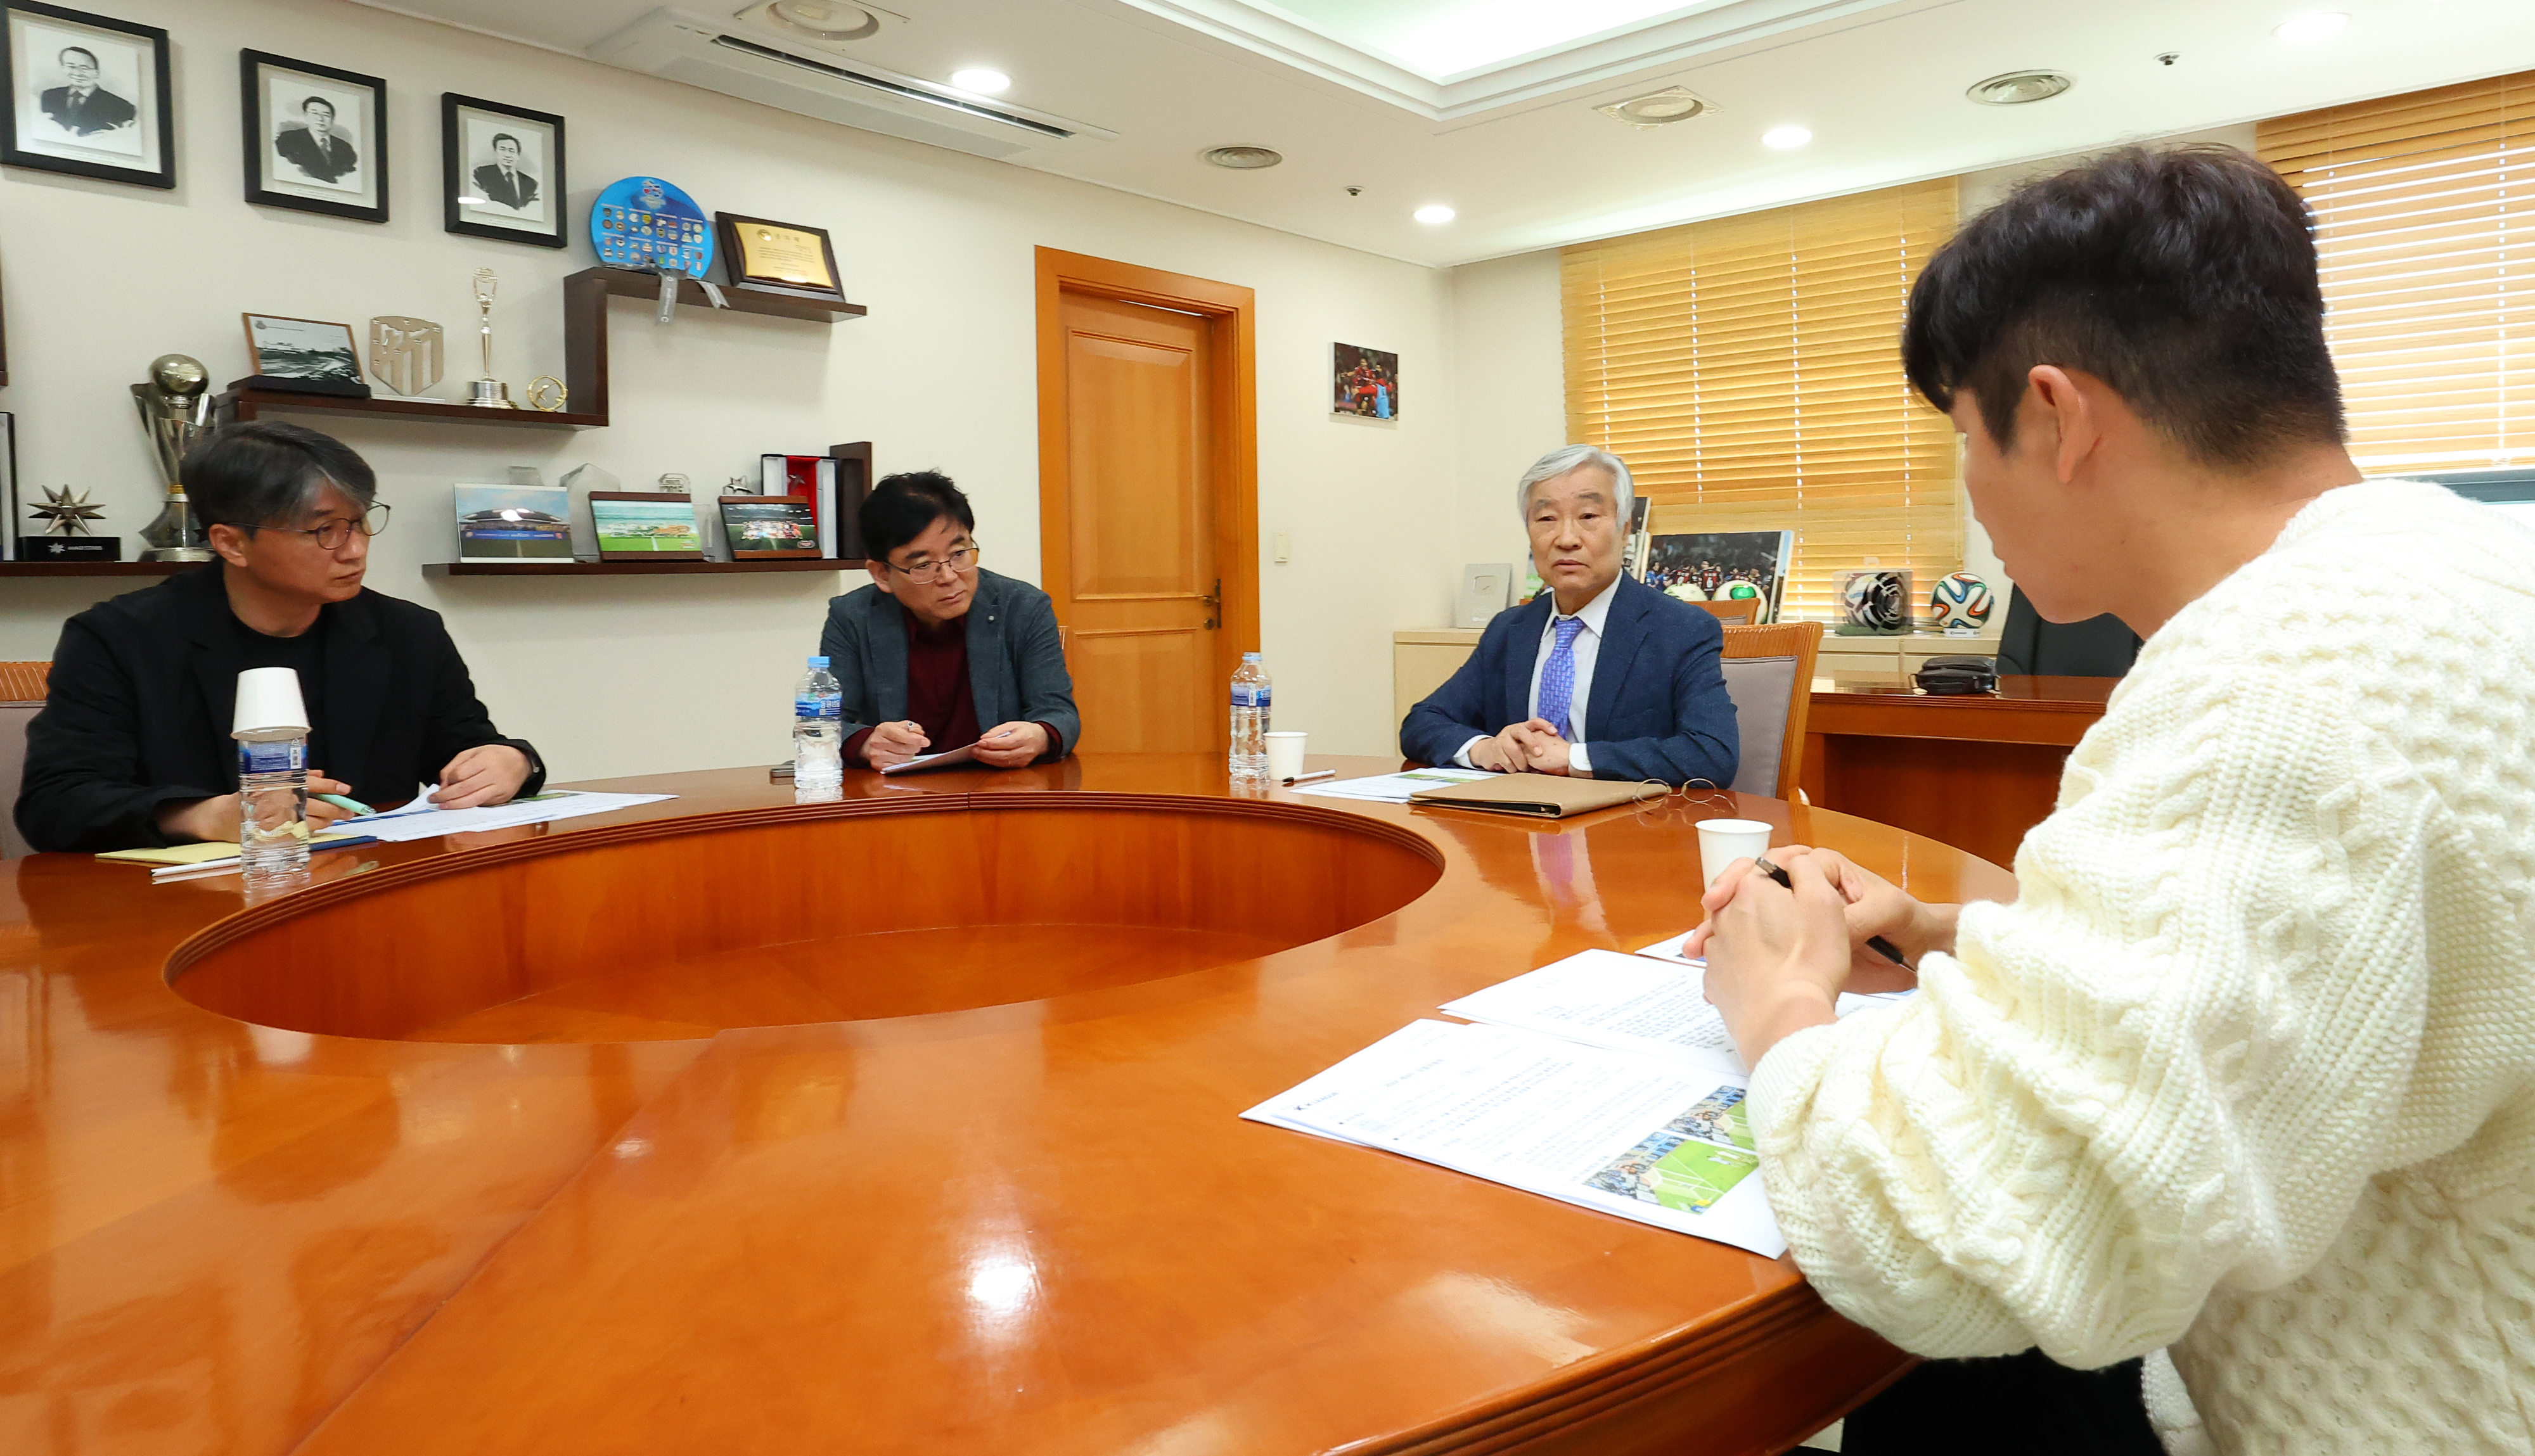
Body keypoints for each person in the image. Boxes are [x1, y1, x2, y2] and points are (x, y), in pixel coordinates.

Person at [1689, 145, 2535, 1455]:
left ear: (2058, 415)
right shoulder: (2447, 571)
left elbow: (1990, 1235)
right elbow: (2344, 960)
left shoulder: (2277, 681)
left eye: (1962, 437)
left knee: (1942, 1382)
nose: (1967, 485)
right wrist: (1944, 928)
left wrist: (1778, 1006)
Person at [15, 421, 543, 854]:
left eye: (360, 523)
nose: (355, 549)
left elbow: (465, 748)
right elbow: (56, 803)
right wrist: (205, 815)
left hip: (369, 886)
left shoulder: (407, 632)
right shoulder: (118, 637)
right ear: (231, 543)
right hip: (186, 908)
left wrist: (512, 762)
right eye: (324, 530)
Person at [1401, 445, 1736, 786]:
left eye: (1588, 516)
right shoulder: (1510, 628)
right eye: (1546, 519)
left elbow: (1712, 753)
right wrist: (1484, 749)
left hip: (1624, 827)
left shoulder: (1681, 629)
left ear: (1624, 530)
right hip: (1515, 824)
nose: (1566, 539)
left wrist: (1573, 758)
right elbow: (1422, 722)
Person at [816, 471, 1078, 770]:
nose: (950, 577)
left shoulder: (1023, 607)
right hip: (898, 798)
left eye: (959, 553)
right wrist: (866, 744)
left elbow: (1060, 713)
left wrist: (1039, 735)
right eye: (924, 565)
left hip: (1000, 788)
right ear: (881, 574)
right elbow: (823, 723)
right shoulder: (853, 617)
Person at [40, 46, 134, 136]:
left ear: (97, 73)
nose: (78, 73)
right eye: (71, 67)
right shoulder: (49, 96)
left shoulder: (121, 107)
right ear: (63, 68)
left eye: (85, 68)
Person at [274, 95, 356, 184]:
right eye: (315, 113)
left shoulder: (345, 147)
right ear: (306, 116)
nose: (320, 119)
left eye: (326, 115)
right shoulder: (289, 139)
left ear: (332, 119)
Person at [470, 132, 538, 212]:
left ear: (518, 155)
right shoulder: (481, 174)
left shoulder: (531, 183)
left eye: (512, 151)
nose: (507, 155)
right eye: (503, 149)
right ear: (495, 152)